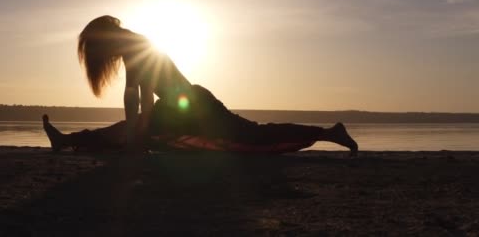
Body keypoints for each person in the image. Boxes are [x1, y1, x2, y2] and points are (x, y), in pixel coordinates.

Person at [43, 15, 358, 156]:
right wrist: (135, 130)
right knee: (253, 133)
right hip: (185, 104)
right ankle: (69, 141)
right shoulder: (133, 45)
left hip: (192, 105)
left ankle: (329, 133)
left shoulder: (135, 45)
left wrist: (137, 134)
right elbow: (137, 98)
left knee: (255, 136)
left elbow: (140, 100)